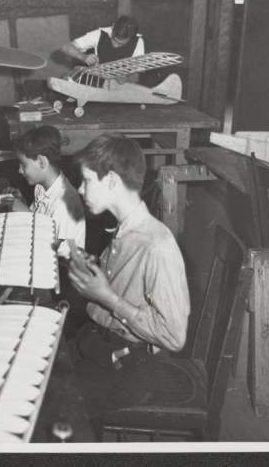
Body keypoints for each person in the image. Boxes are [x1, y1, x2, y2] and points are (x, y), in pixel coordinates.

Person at [67, 133, 190, 432]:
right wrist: (94, 272)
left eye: (86, 180)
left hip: (129, 369)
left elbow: (174, 337)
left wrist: (108, 298)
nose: (80, 189)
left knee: (51, 405)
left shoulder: (156, 245)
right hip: (100, 345)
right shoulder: (125, 229)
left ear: (111, 180)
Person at [2, 126, 86, 258]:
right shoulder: (42, 187)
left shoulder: (65, 204)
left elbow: (62, 254)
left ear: (41, 162)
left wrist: (27, 215)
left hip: (59, 265)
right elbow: (40, 219)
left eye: (24, 164)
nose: (20, 170)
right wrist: (23, 202)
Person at [61, 15, 145, 83]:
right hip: (96, 82)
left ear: (131, 38)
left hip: (118, 88)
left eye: (121, 44)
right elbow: (65, 47)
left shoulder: (138, 42)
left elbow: (136, 77)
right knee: (66, 79)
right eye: (114, 40)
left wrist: (126, 78)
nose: (115, 45)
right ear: (113, 27)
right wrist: (83, 56)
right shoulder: (100, 34)